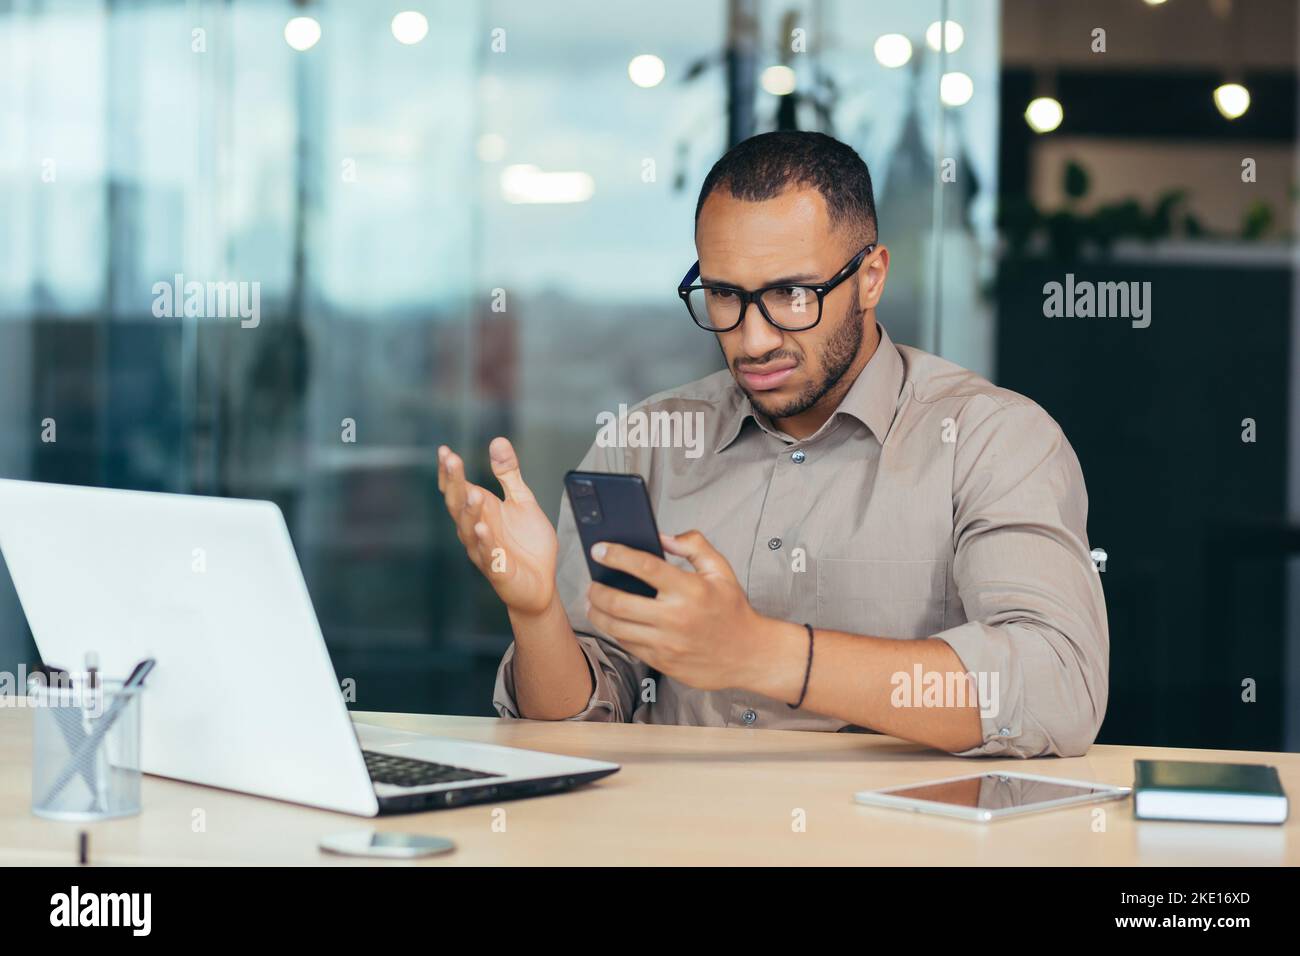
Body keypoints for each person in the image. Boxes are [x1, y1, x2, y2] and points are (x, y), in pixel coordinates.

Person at [438, 131, 1107, 757]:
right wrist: (536, 614)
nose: (752, 340)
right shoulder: (645, 442)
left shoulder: (993, 440)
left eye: (792, 294)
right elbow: (578, 726)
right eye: (725, 294)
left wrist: (762, 653)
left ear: (871, 277)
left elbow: (1059, 686)